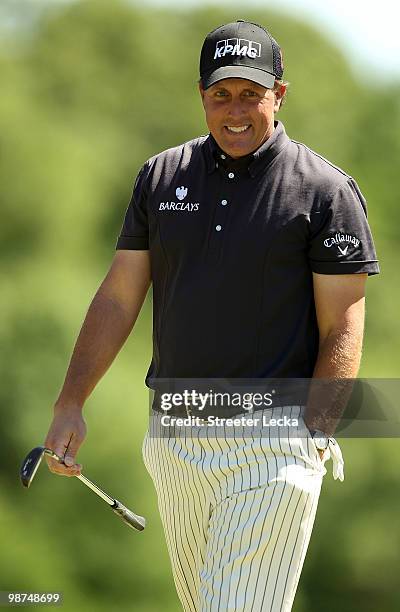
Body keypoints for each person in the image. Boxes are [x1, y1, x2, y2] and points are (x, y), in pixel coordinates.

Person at [44, 20, 379, 612]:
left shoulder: (325, 191)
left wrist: (315, 435)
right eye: (220, 94)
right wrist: (71, 401)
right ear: (201, 96)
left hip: (275, 443)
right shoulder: (161, 177)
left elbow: (343, 326)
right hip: (176, 436)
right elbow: (120, 296)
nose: (235, 111)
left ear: (279, 93)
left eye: (251, 93)